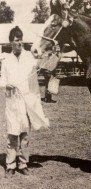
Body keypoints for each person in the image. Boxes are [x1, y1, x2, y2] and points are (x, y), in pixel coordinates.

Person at [0, 26, 49, 177]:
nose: (19, 43)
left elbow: (44, 63)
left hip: (26, 101)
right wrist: (5, 85)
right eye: (16, 40)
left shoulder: (29, 56)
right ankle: (10, 165)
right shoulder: (6, 59)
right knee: (12, 134)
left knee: (25, 135)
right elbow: (2, 79)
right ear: (10, 42)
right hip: (12, 101)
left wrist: (51, 54)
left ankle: (23, 163)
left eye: (21, 39)